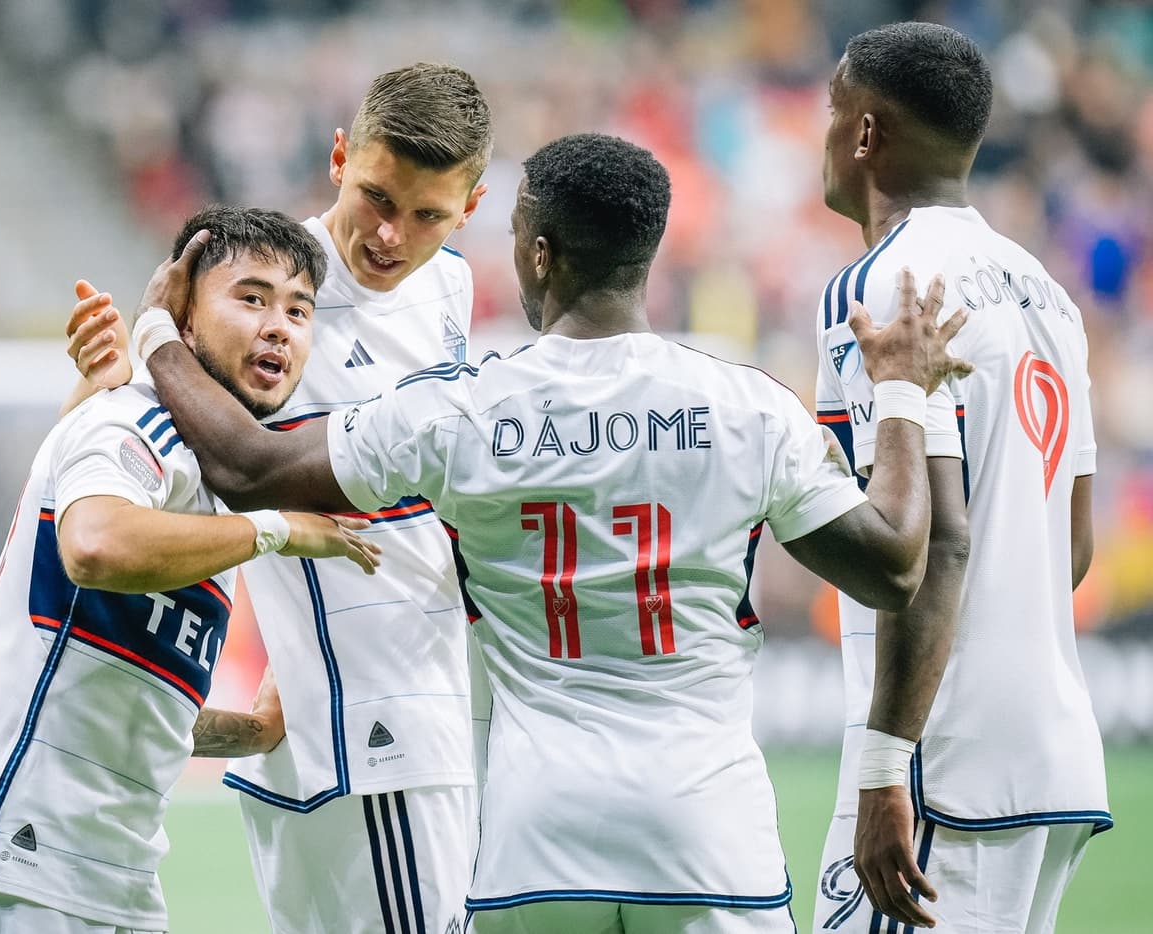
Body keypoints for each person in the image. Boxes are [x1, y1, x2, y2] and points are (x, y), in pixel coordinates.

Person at [120, 132, 969, 934]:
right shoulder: (747, 409)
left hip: (535, 840)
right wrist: (902, 392)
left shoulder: (461, 411)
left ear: (538, 253)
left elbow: (247, 468)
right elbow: (896, 564)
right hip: (709, 832)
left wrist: (159, 331)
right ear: (648, 254)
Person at [67, 62, 493, 933]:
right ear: (339, 155)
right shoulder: (258, 294)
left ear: (470, 211)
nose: (390, 235)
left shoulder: (450, 285)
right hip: (375, 735)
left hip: (404, 707)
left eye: (427, 216)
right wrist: (119, 363)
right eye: (376, 196)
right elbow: (143, 449)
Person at [0, 206, 380, 934]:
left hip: (109, 884)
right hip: (18, 865)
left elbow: (124, 707)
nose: (278, 325)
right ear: (180, 312)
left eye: (298, 309)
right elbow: (93, 546)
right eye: (250, 298)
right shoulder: (133, 421)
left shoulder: (208, 484)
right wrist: (276, 532)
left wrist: (248, 731)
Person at [812, 22, 1110, 932]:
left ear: (865, 133)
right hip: (1052, 754)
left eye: (831, 112)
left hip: (942, 769)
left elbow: (925, 539)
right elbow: (1074, 546)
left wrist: (885, 762)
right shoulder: (1046, 292)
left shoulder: (881, 289)